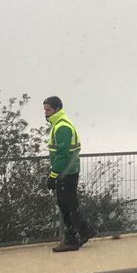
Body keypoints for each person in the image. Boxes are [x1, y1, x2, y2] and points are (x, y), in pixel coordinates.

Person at [43, 96, 85, 252]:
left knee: (67, 205)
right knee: (70, 204)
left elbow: (62, 154)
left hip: (66, 172)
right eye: (45, 110)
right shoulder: (61, 124)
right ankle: (84, 232)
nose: (45, 113)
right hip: (69, 170)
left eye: (48, 110)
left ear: (57, 109)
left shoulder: (62, 127)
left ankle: (71, 239)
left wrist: (53, 175)